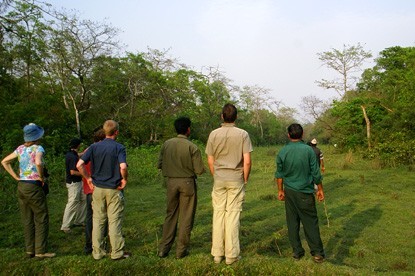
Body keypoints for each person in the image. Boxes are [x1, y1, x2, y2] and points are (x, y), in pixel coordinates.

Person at [205, 103, 253, 265]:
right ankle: (231, 255)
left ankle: (217, 254)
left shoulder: (213, 134)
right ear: (236, 117)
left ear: (222, 116)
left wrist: (216, 174)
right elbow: (247, 161)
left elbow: (210, 160)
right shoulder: (243, 134)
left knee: (218, 214)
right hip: (236, 178)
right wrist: (245, 178)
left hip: (219, 178)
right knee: (232, 215)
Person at [76, 120, 130, 260]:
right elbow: (123, 166)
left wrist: (88, 178)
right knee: (114, 220)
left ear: (104, 131)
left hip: (97, 188)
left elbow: (79, 164)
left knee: (98, 220)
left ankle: (97, 252)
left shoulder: (93, 147)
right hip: (113, 188)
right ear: (116, 132)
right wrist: (124, 179)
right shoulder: (119, 147)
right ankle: (117, 252)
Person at [1, 123, 55, 258]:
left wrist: (16, 177)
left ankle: (29, 250)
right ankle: (41, 251)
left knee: (27, 218)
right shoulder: (38, 148)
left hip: (21, 186)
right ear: (37, 136)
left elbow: (4, 161)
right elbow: (38, 162)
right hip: (34, 186)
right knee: (41, 217)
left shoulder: (19, 149)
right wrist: (41, 177)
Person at [275, 123, 325, 263]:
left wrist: (280, 190)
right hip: (305, 192)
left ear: (289, 135)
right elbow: (316, 173)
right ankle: (317, 253)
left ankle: (297, 252)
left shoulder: (283, 151)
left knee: (292, 222)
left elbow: (279, 174)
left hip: (289, 192)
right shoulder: (309, 151)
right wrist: (320, 189)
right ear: (302, 135)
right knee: (310, 222)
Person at [158, 117, 205, 259]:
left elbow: (160, 164)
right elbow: (199, 170)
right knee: (186, 217)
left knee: (170, 215)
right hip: (187, 183)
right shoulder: (192, 147)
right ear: (188, 129)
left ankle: (163, 249)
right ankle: (181, 251)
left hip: (171, 183)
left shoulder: (166, 144)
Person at [82, 129, 106, 255]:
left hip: (88, 188)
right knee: (102, 218)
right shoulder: (101, 150)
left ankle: (88, 245)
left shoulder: (87, 150)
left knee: (90, 217)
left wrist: (87, 178)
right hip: (99, 187)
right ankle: (101, 243)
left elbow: (80, 165)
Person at [61, 138, 87, 233]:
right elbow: (73, 172)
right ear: (78, 145)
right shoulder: (72, 157)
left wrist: (85, 152)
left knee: (83, 199)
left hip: (78, 182)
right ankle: (65, 225)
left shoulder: (71, 154)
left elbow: (79, 155)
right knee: (72, 202)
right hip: (73, 183)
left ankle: (79, 220)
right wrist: (86, 174)